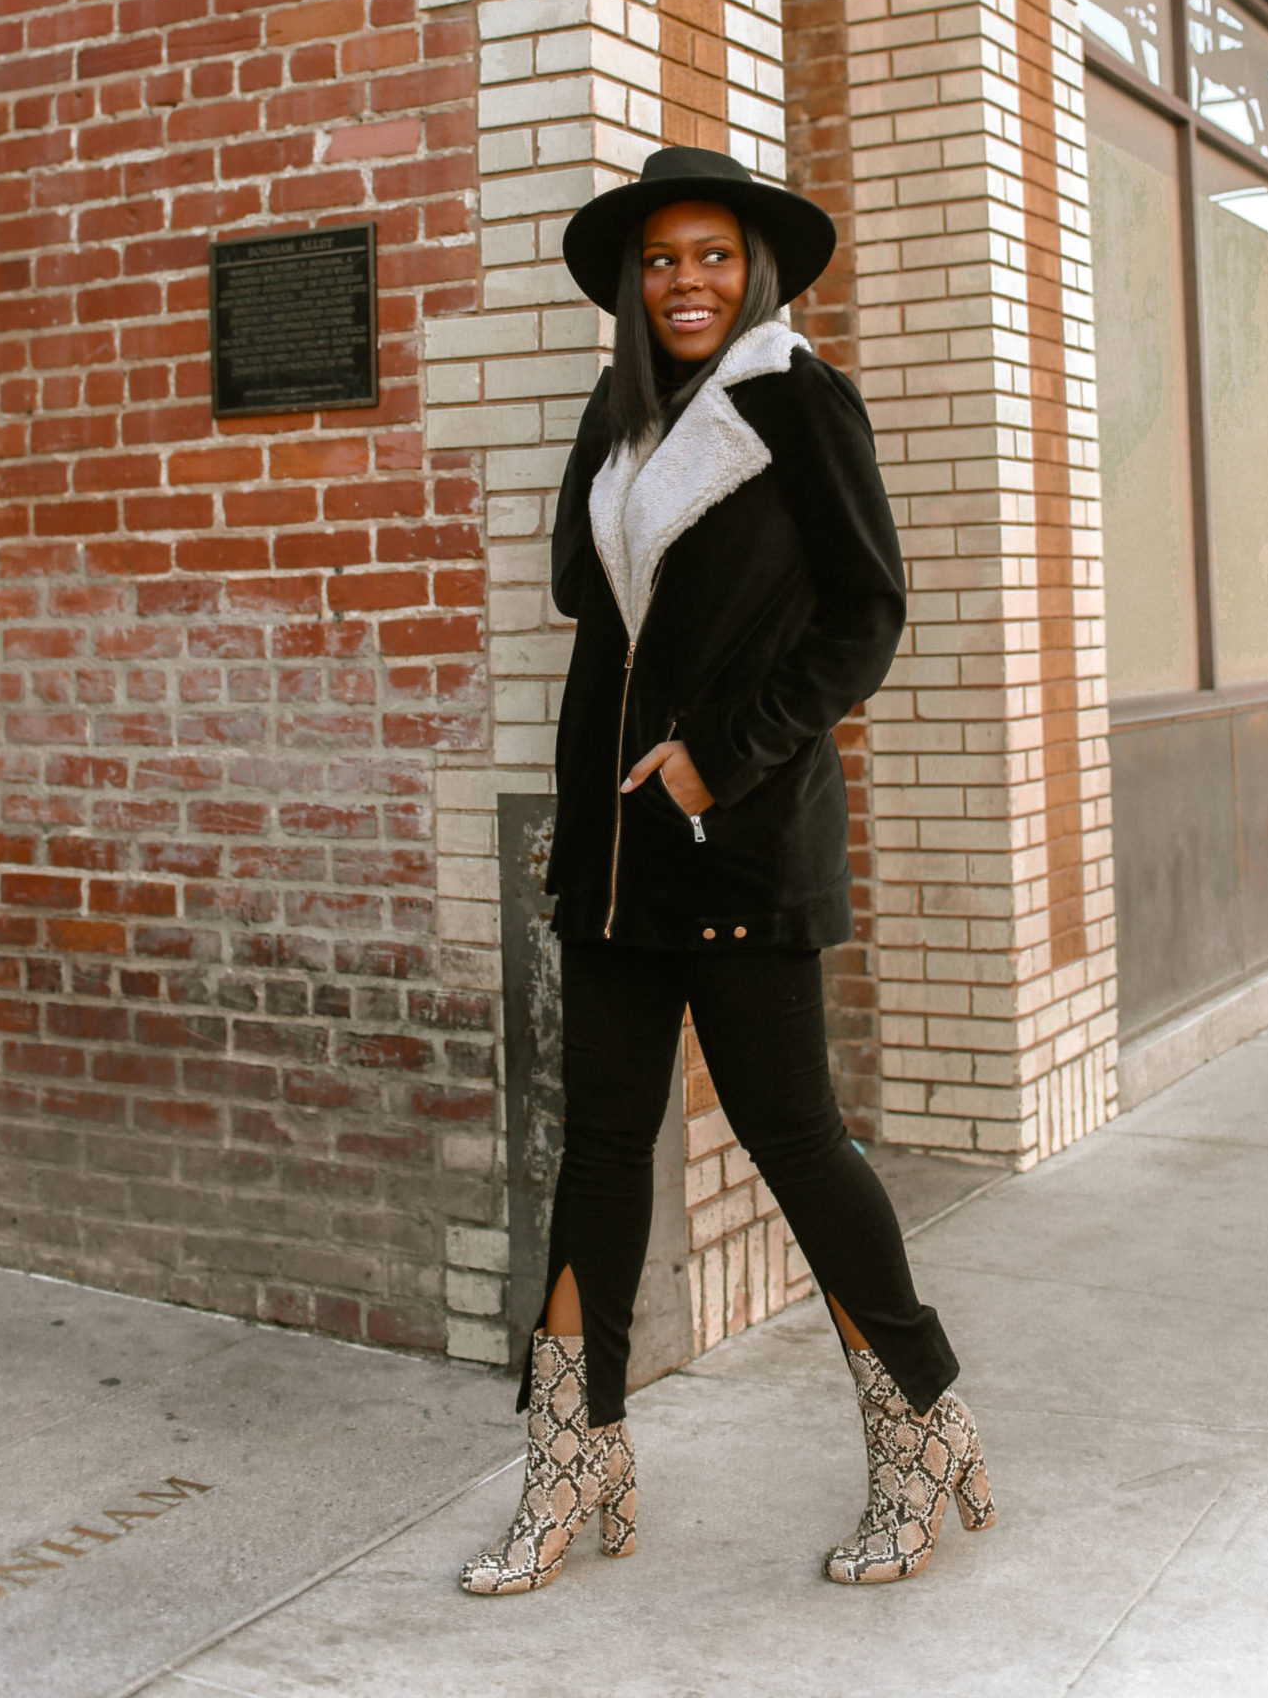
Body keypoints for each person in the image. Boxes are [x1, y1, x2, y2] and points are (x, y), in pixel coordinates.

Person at [459, 146, 994, 1596]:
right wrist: (612, 428)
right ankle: (577, 1464)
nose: (682, 282)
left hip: (740, 843)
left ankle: (919, 1427)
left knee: (797, 1144)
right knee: (599, 1158)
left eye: (707, 257)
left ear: (750, 268)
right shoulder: (629, 416)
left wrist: (720, 753)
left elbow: (865, 618)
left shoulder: (798, 398)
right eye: (656, 263)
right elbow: (587, 596)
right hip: (613, 866)